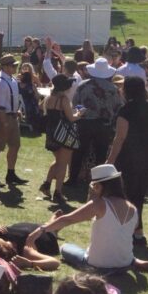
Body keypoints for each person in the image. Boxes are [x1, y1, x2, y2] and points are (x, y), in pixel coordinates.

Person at [26, 164, 148, 273]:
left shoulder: (99, 204)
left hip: (98, 265)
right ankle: (135, 262)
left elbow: (68, 219)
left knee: (65, 247)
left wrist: (41, 230)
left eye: (95, 185)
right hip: (124, 264)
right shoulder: (132, 208)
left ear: (100, 186)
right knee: (122, 251)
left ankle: (131, 262)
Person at [107, 76, 148, 246]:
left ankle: (129, 230)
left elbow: (120, 138)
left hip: (129, 158)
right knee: (138, 195)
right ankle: (137, 233)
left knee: (126, 195)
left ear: (127, 90)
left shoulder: (126, 110)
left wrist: (109, 160)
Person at [71, 58, 124, 187]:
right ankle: (100, 181)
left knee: (79, 152)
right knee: (101, 153)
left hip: (84, 122)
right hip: (104, 125)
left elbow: (75, 103)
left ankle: (73, 178)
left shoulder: (83, 85)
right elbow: (118, 107)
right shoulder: (113, 89)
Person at [41, 74, 83, 203]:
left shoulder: (48, 98)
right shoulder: (63, 99)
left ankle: (46, 185)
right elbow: (71, 118)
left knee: (58, 161)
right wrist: (80, 114)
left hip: (51, 133)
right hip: (63, 134)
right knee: (62, 164)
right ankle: (58, 192)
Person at [0, 54, 28, 187]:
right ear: (5, 67)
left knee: (14, 145)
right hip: (2, 118)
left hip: (11, 116)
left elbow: (10, 99)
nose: (15, 68)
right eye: (13, 66)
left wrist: (16, 111)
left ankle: (10, 174)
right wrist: (4, 122)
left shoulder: (11, 79)